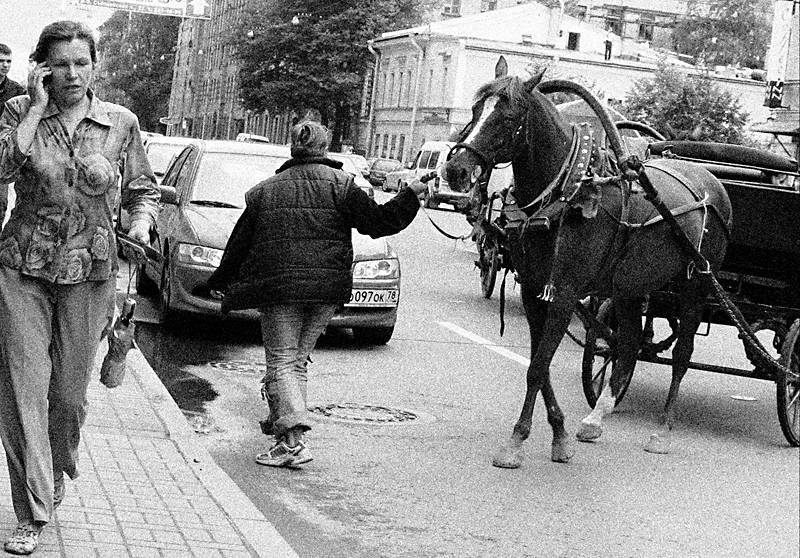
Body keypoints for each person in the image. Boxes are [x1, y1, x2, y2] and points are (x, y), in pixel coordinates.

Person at [0, 21, 159, 554]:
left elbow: (142, 189)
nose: (71, 73)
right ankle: (32, 510)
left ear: (95, 67)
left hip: (89, 273)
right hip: (22, 268)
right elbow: (2, 166)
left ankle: (58, 465)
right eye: (60, 63)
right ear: (42, 66)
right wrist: (32, 111)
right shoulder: (18, 113)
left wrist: (139, 223)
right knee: (22, 390)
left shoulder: (120, 123)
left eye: (81, 63)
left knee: (67, 398)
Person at [207, 120, 427, 468]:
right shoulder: (342, 186)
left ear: (293, 148)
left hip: (279, 291)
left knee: (281, 361)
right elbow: (380, 223)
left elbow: (238, 245)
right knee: (294, 363)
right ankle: (286, 437)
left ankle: (293, 441)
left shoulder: (265, 191)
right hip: (326, 292)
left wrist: (218, 281)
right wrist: (410, 195)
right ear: (325, 149)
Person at [0, 43, 26, 224]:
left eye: (8, 61)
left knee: (0, 203)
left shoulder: (16, 91)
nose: (5, 65)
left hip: (2, 152)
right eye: (1, 61)